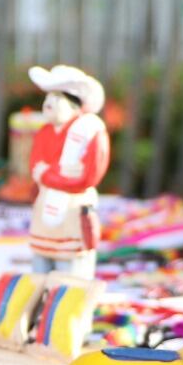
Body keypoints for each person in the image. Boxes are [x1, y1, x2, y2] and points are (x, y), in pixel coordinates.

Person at [27, 65, 110, 278]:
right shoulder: (44, 132)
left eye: (57, 98)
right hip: (45, 208)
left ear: (75, 106)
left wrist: (49, 175)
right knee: (40, 269)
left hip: (72, 210)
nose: (49, 104)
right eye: (48, 98)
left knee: (71, 274)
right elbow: (36, 168)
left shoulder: (90, 133)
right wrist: (54, 174)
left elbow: (87, 177)